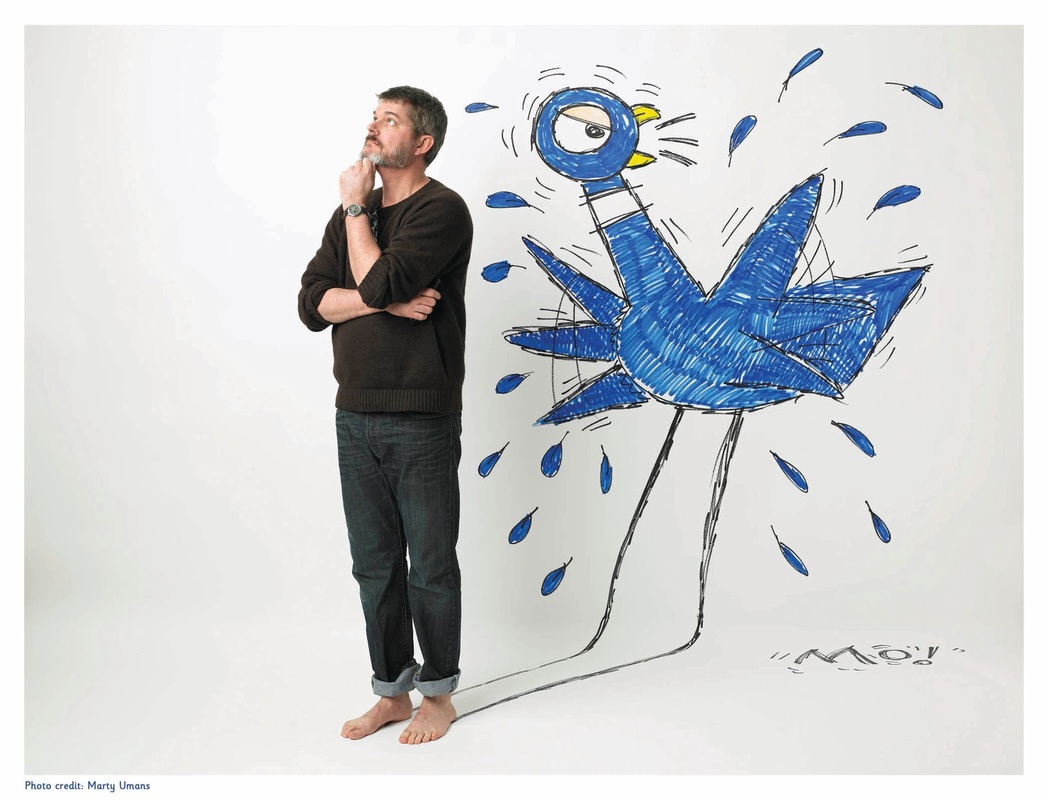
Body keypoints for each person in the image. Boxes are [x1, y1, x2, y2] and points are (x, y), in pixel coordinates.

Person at [297, 86, 472, 745]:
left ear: (422, 142)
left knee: (430, 565)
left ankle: (439, 696)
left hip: (421, 418)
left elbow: (368, 282)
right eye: (374, 117)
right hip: (354, 416)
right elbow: (312, 304)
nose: (373, 127)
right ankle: (393, 692)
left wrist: (355, 214)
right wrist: (387, 301)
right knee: (374, 566)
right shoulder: (356, 214)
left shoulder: (441, 210)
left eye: (389, 120)